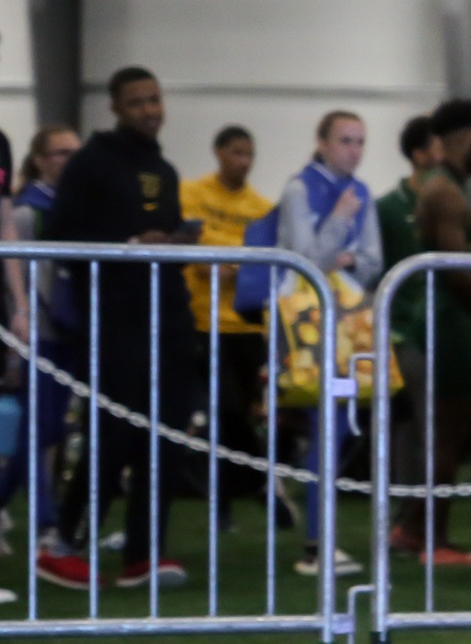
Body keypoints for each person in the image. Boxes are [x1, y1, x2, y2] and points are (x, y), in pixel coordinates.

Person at [36, 67, 198, 590]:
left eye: (155, 98)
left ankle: (144, 555)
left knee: (165, 438)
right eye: (136, 102)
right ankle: (65, 545)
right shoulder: (91, 163)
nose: (150, 109)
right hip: (115, 321)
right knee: (111, 434)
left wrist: (172, 244)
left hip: (169, 318)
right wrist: (128, 244)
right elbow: (60, 235)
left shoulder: (166, 169)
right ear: (115, 107)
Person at [389, 99, 471, 566]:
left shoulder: (444, 188)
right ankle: (435, 543)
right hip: (444, 330)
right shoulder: (446, 194)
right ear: (466, 139)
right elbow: (457, 271)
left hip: (438, 327)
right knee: (447, 439)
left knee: (440, 436)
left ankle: (409, 530)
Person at [277, 111, 381, 577]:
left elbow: (374, 261)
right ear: (321, 142)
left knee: (338, 427)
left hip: (349, 320)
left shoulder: (364, 193)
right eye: (345, 141)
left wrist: (346, 257)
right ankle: (317, 542)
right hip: (308, 323)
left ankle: (317, 531)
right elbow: (305, 261)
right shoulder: (300, 189)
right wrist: (339, 226)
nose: (354, 151)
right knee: (326, 426)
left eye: (360, 141)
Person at [179, 125, 276, 530]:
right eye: (237, 153)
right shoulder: (192, 194)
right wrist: (214, 262)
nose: (244, 161)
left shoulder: (261, 207)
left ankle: (245, 488)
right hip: (202, 321)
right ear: (218, 153)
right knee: (218, 413)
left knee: (240, 415)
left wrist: (229, 266)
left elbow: (264, 261)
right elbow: (187, 244)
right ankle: (246, 490)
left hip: (246, 327)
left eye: (250, 154)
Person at [0, 126, 81, 551]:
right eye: (60, 153)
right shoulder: (30, 211)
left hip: (69, 330)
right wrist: (23, 317)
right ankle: (46, 524)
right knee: (40, 428)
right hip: (41, 331)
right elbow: (21, 273)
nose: (69, 160)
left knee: (47, 428)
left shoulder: (75, 205)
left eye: (75, 152)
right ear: (40, 160)